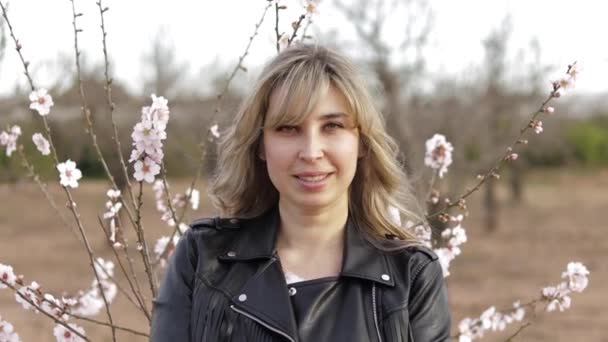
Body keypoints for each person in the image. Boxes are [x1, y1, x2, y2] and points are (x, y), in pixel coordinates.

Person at [151, 43, 451, 342]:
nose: (311, 152)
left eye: (332, 126)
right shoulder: (203, 256)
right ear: (260, 145)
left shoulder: (412, 276)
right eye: (288, 128)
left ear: (361, 142)